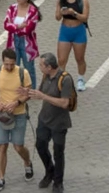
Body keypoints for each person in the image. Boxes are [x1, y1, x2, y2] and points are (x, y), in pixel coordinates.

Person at [27, 52, 77, 193]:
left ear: (49, 67)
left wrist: (44, 96)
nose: (39, 67)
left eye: (41, 65)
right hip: (44, 120)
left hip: (59, 123)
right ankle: (50, 171)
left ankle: (58, 182)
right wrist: (28, 93)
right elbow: (41, 93)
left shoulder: (65, 79)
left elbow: (64, 103)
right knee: (40, 146)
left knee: (58, 152)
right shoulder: (46, 76)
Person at [0, 48, 35, 191]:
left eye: (12, 64)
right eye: (6, 64)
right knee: (2, 146)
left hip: (19, 114)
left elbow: (28, 93)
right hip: (1, 115)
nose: (9, 67)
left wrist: (16, 102)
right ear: (2, 61)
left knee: (18, 146)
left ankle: (27, 162)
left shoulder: (23, 73)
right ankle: (1, 178)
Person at [55, 0, 89, 92]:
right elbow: (57, 18)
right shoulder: (61, 0)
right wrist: (60, 12)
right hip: (65, 31)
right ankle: (61, 81)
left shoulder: (83, 0)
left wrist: (73, 13)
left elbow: (84, 18)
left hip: (78, 31)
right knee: (61, 59)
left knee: (79, 58)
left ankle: (80, 79)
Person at [5, 0, 41, 90]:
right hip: (13, 42)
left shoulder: (33, 11)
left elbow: (29, 29)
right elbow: (6, 25)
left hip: (27, 43)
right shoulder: (12, 8)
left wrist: (13, 27)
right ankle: (13, 88)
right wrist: (19, 26)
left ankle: (31, 90)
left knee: (29, 68)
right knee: (12, 66)